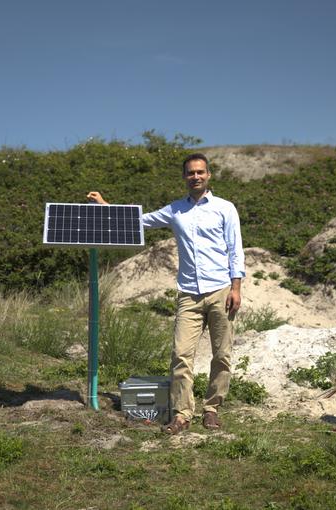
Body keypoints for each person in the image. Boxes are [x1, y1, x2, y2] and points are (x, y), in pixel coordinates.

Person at [87, 153, 245, 434]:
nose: (195, 177)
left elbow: (236, 250)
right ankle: (183, 414)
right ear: (184, 177)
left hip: (221, 289)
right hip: (188, 293)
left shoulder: (225, 208)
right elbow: (140, 220)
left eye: (200, 172)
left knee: (222, 354)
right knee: (180, 354)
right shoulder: (175, 210)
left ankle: (211, 409)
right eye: (190, 173)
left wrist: (236, 288)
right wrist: (106, 206)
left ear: (208, 175)